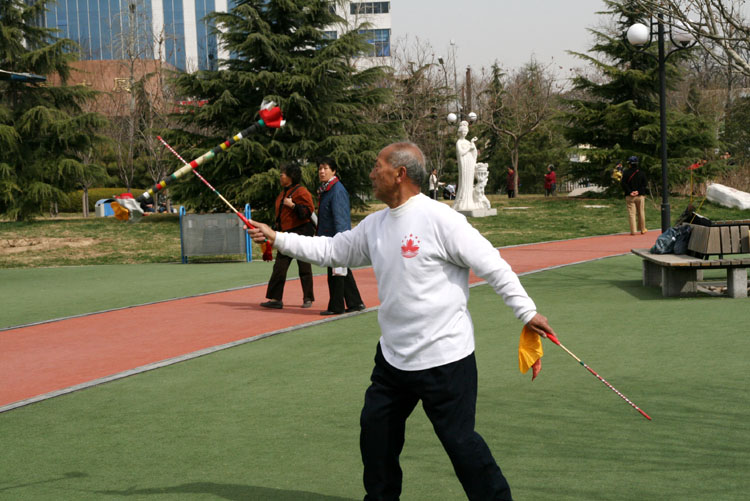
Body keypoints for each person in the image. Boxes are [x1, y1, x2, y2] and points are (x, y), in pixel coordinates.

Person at [246, 142, 556, 500]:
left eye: (378, 166)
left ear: (400, 174)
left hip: (446, 360)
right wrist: (277, 237)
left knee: (460, 444)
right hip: (393, 360)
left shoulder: (442, 220)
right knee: (375, 434)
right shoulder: (375, 224)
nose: (371, 173)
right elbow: (332, 250)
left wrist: (527, 312)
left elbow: (493, 265)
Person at [260, 163, 316, 309]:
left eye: (283, 174)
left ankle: (308, 298)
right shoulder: (281, 195)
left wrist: (293, 206)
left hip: (301, 233)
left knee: (304, 266)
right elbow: (280, 216)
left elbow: (308, 211)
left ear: (291, 176)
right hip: (285, 235)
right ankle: (275, 299)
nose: (280, 176)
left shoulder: (301, 192)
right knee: (279, 267)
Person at [317, 157, 365, 316]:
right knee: (342, 270)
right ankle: (355, 302)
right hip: (329, 236)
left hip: (335, 238)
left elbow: (341, 217)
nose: (321, 171)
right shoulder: (327, 189)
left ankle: (336, 306)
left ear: (334, 171)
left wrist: (341, 240)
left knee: (336, 272)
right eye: (319, 169)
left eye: (325, 168)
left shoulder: (337, 190)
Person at [453, 121, 479, 211]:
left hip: (469, 163)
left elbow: (474, 153)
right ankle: (463, 202)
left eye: (466, 132)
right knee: (464, 182)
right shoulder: (458, 142)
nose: (464, 133)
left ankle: (470, 201)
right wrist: (469, 148)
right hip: (464, 164)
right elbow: (461, 153)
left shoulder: (468, 141)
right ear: (460, 132)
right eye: (463, 132)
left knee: (470, 182)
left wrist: (472, 144)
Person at [621, 156, 648, 235]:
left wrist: (630, 192)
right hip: (640, 196)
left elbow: (623, 183)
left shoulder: (626, 173)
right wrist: (638, 192)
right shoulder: (641, 173)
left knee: (632, 214)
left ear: (629, 164)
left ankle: (633, 231)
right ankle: (642, 229)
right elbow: (644, 184)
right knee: (641, 212)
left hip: (630, 196)